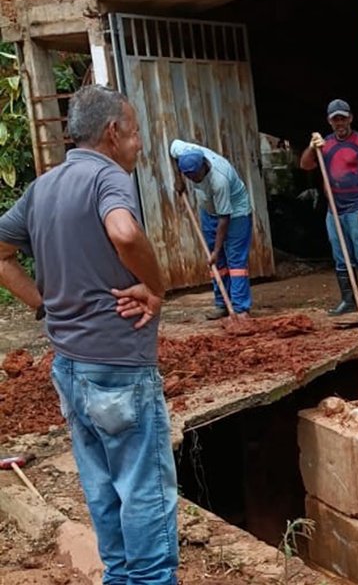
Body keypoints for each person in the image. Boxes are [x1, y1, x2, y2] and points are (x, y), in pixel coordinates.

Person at [0, 85, 178, 584]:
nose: (139, 145)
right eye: (136, 132)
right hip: (119, 363)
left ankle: (119, 577)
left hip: (69, 367)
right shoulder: (108, 177)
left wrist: (42, 303)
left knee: (102, 486)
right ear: (113, 132)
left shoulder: (43, 188)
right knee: (144, 487)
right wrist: (155, 288)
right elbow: (124, 232)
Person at [299, 99, 358, 315]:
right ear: (330, 121)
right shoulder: (325, 144)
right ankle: (348, 300)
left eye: (343, 118)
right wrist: (311, 148)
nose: (340, 123)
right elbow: (305, 165)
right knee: (341, 257)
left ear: (350, 118)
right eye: (335, 119)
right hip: (335, 211)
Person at [169, 139, 253, 320]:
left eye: (194, 177)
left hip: (235, 213)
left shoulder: (219, 180)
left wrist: (216, 250)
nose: (192, 180)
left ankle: (240, 309)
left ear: (204, 166)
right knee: (217, 262)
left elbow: (224, 218)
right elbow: (172, 150)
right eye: (188, 177)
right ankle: (222, 304)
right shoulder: (185, 151)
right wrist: (179, 179)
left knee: (235, 261)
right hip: (209, 210)